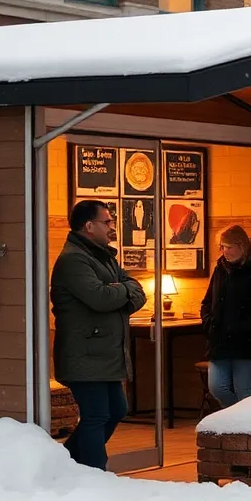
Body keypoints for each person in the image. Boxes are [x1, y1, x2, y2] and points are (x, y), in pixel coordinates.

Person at [51, 199, 147, 470]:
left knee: (116, 410)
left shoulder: (103, 255)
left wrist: (120, 289)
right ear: (89, 226)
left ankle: (64, 463)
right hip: (85, 353)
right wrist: (120, 291)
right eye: (107, 222)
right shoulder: (73, 259)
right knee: (96, 415)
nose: (112, 227)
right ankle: (94, 471)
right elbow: (100, 298)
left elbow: (137, 290)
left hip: (105, 354)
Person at [200, 225, 251, 408]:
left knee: (244, 388)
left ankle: (248, 424)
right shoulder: (221, 268)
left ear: (241, 245)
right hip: (220, 338)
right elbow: (208, 299)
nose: (224, 251)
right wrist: (208, 321)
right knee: (217, 387)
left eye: (228, 247)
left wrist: (245, 327)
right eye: (222, 247)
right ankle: (241, 419)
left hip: (246, 339)